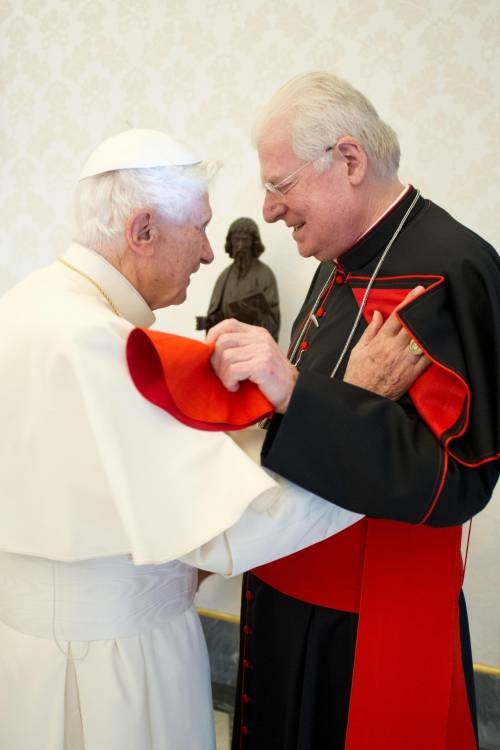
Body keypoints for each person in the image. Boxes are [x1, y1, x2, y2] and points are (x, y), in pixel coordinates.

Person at [0, 128, 374, 750]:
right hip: (114, 666)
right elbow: (235, 532)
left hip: (29, 654)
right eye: (200, 229)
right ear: (143, 230)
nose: (208, 255)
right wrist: (357, 414)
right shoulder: (98, 342)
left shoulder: (26, 306)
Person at [207, 73, 500, 750]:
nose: (270, 211)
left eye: (281, 186)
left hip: (365, 621)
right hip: (287, 593)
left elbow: (461, 476)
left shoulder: (453, 266)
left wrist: (298, 390)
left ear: (348, 160)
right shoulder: (336, 259)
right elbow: (335, 405)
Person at [196, 217, 280, 340]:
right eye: (236, 240)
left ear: (253, 242)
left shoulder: (265, 275)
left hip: (254, 349)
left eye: (245, 240)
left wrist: (255, 314)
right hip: (226, 348)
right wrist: (208, 322)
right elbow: (215, 318)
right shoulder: (224, 277)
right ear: (231, 242)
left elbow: (273, 324)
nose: (240, 246)